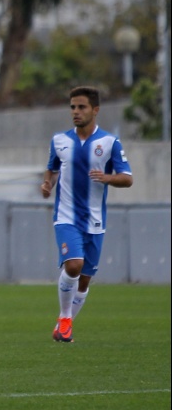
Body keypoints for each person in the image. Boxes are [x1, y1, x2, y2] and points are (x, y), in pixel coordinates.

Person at [41, 86, 133, 343]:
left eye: (81, 107)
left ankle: (63, 326)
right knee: (74, 265)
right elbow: (52, 168)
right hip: (65, 216)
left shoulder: (110, 143)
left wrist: (107, 178)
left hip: (95, 220)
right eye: (72, 107)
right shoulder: (59, 140)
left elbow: (127, 178)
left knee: (84, 282)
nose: (76, 112)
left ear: (95, 110)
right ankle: (65, 318)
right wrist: (47, 183)